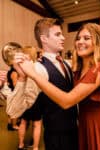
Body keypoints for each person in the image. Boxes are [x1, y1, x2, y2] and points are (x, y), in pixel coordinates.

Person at [15, 23, 100, 150]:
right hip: (82, 126)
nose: (80, 42)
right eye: (78, 38)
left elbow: (67, 101)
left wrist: (33, 74)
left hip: (99, 127)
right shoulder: (77, 69)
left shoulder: (99, 68)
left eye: (86, 38)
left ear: (98, 43)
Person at [6, 18, 78, 150]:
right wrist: (22, 78)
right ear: (44, 39)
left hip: (74, 131)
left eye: (62, 34)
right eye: (57, 34)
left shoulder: (66, 63)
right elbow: (13, 111)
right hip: (57, 138)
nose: (63, 38)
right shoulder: (38, 69)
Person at [17, 46, 42, 150]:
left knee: (23, 121)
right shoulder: (39, 66)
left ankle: (21, 144)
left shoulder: (21, 66)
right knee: (37, 124)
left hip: (24, 99)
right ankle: (35, 147)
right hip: (37, 98)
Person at [1, 42, 22, 131]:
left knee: (11, 110)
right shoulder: (14, 72)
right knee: (14, 110)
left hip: (11, 92)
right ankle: (13, 125)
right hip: (13, 93)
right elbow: (15, 84)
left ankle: (10, 124)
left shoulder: (11, 71)